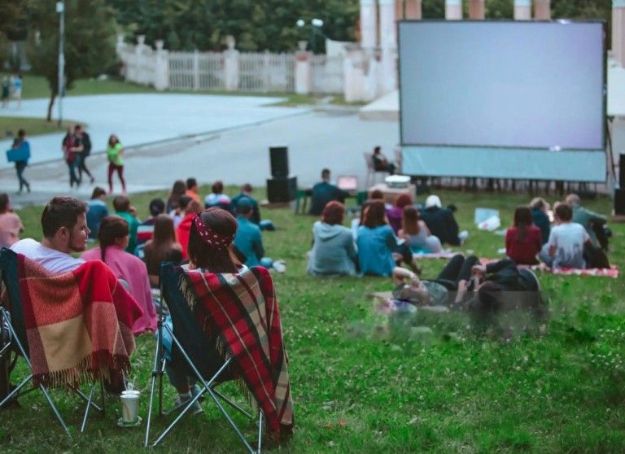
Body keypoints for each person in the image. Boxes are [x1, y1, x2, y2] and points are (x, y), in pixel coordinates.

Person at [82, 216, 156, 334]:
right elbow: (147, 303)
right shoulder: (137, 263)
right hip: (132, 326)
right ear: (118, 239)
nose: (129, 238)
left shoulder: (85, 258)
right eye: (127, 235)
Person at [11, 196, 88, 273]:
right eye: (82, 228)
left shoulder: (20, 247)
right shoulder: (77, 269)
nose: (88, 231)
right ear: (63, 233)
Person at [357, 200, 416, 276]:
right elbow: (394, 246)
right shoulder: (386, 230)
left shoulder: (361, 230)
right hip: (384, 270)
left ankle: (406, 267)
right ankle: (415, 268)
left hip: (365, 269)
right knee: (404, 246)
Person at [307, 201, 358, 276]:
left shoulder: (317, 227)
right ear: (341, 216)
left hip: (317, 269)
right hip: (341, 270)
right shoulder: (346, 233)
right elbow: (353, 253)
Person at [539, 202, 590, 269]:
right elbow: (588, 244)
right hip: (579, 264)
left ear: (557, 216)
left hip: (561, 264)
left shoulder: (555, 230)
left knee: (543, 250)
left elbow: (551, 252)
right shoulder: (580, 227)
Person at [143, 214, 183, 288]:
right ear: (171, 228)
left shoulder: (147, 246)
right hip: (169, 287)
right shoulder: (176, 249)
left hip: (150, 285)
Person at [233, 198, 265, 267]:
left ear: (236, 210)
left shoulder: (228, 225)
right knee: (267, 262)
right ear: (251, 211)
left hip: (232, 265)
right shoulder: (254, 229)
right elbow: (260, 253)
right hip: (249, 267)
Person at [10, 129, 30, 193]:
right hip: (18, 161)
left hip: (22, 161)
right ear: (22, 135)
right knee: (19, 175)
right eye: (24, 135)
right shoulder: (17, 141)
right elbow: (13, 148)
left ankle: (24, 187)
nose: (24, 136)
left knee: (19, 175)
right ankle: (24, 186)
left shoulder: (25, 142)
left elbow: (27, 152)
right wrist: (15, 147)